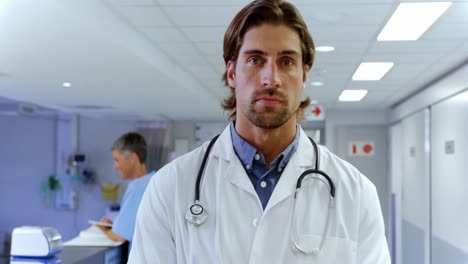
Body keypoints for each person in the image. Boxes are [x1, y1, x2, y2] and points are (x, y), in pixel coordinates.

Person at [129, 0, 391, 263]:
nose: (271, 79)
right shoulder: (170, 187)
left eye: (286, 61)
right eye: (255, 60)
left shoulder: (355, 193)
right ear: (232, 73)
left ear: (304, 75)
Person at [95, 132, 154, 249]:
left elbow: (120, 236)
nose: (115, 166)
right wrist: (117, 227)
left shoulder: (138, 188)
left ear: (132, 158)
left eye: (117, 160)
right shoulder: (154, 180)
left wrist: (105, 230)